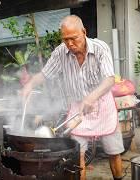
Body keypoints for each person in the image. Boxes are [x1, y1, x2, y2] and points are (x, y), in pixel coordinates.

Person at [22, 15, 124, 180]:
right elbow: (45, 74)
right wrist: (30, 85)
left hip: (103, 105)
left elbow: (109, 79)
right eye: (65, 39)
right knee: (78, 155)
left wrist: (91, 97)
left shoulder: (100, 48)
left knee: (114, 152)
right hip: (78, 109)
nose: (69, 43)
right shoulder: (60, 52)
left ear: (84, 32)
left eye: (73, 38)